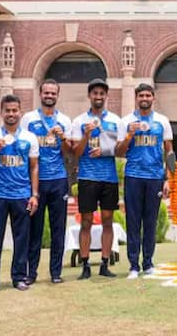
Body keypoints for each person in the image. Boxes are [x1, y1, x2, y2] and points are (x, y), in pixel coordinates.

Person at [0, 95, 39, 294]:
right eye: (8, 110)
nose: (11, 114)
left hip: (21, 194)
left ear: (20, 112)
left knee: (21, 239)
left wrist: (34, 195)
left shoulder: (29, 138)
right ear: (1, 112)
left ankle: (19, 277)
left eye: (15, 110)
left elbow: (34, 168)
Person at [116, 83, 173, 279]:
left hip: (155, 178)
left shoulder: (162, 121)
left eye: (148, 95)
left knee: (150, 222)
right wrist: (130, 135)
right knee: (133, 222)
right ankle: (133, 266)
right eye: (141, 95)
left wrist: (168, 180)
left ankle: (148, 263)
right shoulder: (126, 121)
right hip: (133, 176)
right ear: (136, 98)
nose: (145, 98)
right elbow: (118, 152)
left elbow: (169, 152)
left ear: (153, 98)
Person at [20, 79, 72, 284]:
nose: (49, 96)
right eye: (46, 93)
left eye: (53, 93)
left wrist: (64, 139)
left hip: (58, 180)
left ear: (57, 96)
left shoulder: (65, 121)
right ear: (40, 94)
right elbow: (21, 146)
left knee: (58, 228)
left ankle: (56, 273)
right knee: (35, 229)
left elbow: (70, 154)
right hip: (35, 182)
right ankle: (31, 273)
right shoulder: (29, 119)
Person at [71, 78, 121, 279]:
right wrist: (86, 135)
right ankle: (85, 266)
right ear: (89, 96)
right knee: (86, 222)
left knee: (108, 221)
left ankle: (105, 263)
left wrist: (106, 150)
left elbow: (121, 149)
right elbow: (75, 152)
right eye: (95, 93)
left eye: (102, 94)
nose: (98, 97)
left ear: (106, 96)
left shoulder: (116, 120)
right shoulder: (79, 121)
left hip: (109, 178)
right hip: (87, 177)